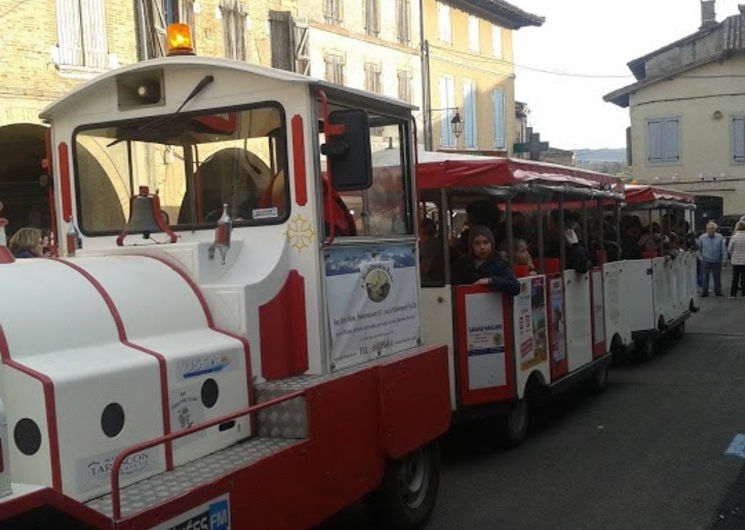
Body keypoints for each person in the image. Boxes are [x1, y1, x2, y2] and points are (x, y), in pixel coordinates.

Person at [451, 225, 520, 295]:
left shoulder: (499, 263)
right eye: (477, 243)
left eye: (485, 242)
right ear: (471, 246)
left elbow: (515, 286)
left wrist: (490, 281)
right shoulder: (462, 265)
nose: (482, 247)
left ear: (491, 244)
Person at [698, 221, 727, 297]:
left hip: (717, 260)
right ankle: (705, 291)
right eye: (709, 229)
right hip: (705, 260)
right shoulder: (702, 237)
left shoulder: (720, 237)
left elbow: (723, 249)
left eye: (712, 229)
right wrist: (701, 258)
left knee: (717, 277)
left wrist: (724, 260)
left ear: (715, 229)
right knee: (705, 277)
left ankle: (718, 291)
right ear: (706, 229)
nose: (711, 230)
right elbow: (699, 249)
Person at [728, 221, 745, 298]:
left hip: (736, 260)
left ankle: (733, 294)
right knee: (744, 278)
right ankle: (744, 294)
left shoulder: (734, 237)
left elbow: (730, 249)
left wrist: (732, 255)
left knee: (735, 278)